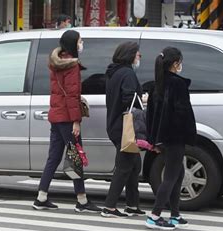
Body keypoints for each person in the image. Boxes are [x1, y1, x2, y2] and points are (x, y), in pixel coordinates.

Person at [33, 30, 100, 213]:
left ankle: (41, 197)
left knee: (53, 158)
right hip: (67, 119)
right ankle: (82, 200)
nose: (82, 43)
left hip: (56, 116)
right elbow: (71, 96)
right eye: (79, 41)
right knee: (75, 157)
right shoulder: (71, 66)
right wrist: (76, 121)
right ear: (73, 44)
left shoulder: (57, 62)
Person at [145, 47, 196, 230]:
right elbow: (184, 113)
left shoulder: (157, 83)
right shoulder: (177, 84)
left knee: (178, 173)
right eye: (180, 62)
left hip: (162, 137)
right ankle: (155, 215)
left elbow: (151, 114)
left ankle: (175, 214)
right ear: (175, 64)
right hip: (175, 136)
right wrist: (190, 134)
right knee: (171, 176)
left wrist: (154, 139)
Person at [102, 41, 147, 218]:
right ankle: (109, 207)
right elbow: (128, 97)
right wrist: (142, 99)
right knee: (124, 166)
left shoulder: (114, 73)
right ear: (130, 55)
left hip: (115, 124)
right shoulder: (127, 73)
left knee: (134, 164)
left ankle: (132, 204)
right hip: (125, 127)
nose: (139, 56)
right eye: (137, 53)